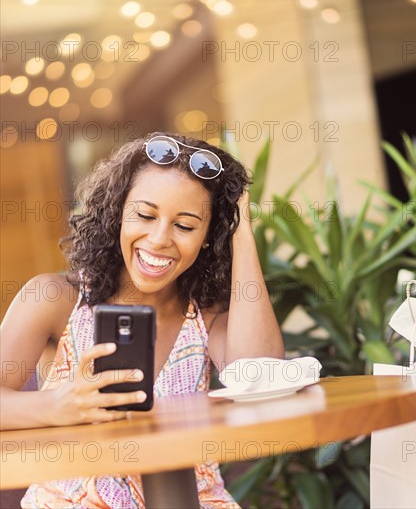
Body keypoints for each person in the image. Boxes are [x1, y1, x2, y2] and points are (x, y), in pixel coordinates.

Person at [0, 132, 285, 508]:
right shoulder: (55, 298)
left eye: (185, 226)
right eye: (145, 215)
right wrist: (57, 405)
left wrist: (241, 232)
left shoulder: (207, 314)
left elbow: (260, 378)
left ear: (207, 236)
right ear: (118, 211)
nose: (159, 239)